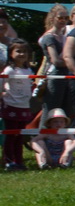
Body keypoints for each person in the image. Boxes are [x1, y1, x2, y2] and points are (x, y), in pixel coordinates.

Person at [3, 40, 36, 170]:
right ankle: (9, 161)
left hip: (24, 105)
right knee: (11, 135)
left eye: (25, 51)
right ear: (11, 54)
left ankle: (19, 161)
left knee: (20, 135)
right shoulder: (10, 70)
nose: (22, 54)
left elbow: (31, 85)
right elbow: (2, 83)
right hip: (11, 105)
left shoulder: (28, 70)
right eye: (18, 51)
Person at [36, 3, 72, 115]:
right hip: (54, 76)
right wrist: (71, 63)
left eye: (66, 18)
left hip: (66, 76)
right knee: (51, 111)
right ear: (52, 18)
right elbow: (55, 60)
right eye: (60, 18)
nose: (63, 20)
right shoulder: (49, 37)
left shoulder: (65, 35)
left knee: (65, 111)